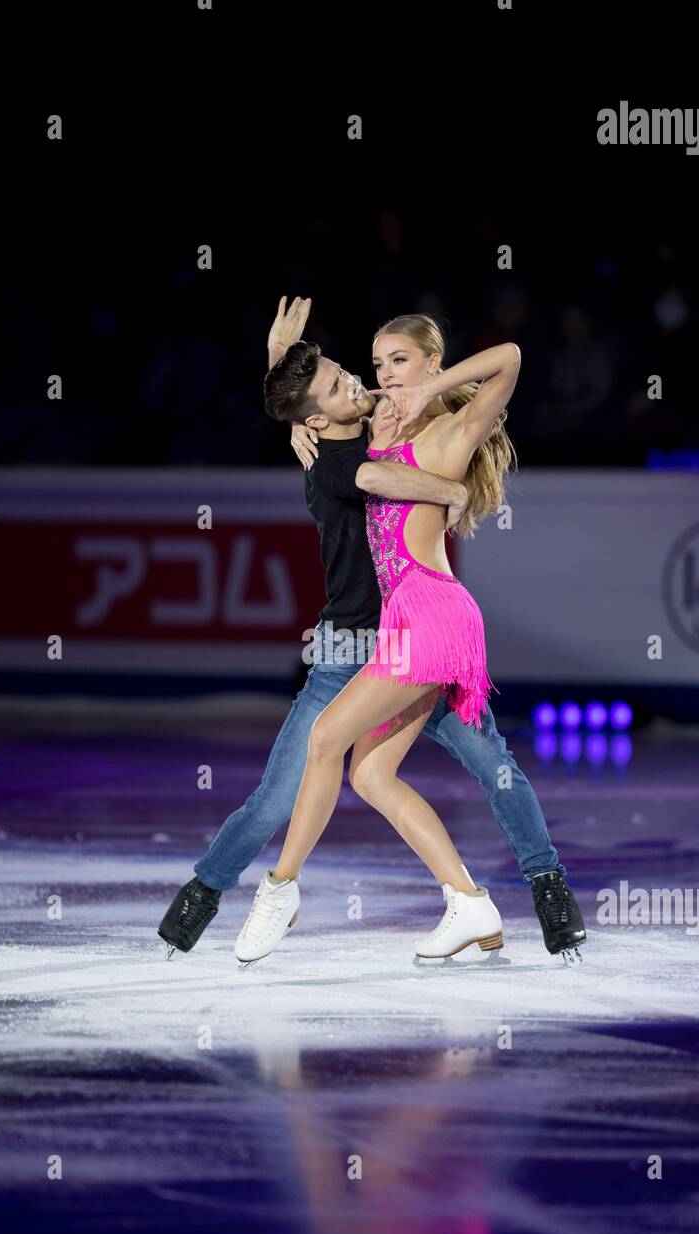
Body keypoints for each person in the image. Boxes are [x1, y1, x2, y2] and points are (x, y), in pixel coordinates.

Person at [157, 298, 586, 964]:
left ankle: (546, 888)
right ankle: (208, 895)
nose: (370, 378)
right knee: (312, 787)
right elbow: (328, 432)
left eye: (385, 366)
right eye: (368, 368)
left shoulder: (394, 422)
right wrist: (442, 492)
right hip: (354, 647)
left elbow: (343, 404)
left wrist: (422, 408)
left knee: (487, 764)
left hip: (416, 633)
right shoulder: (336, 453)